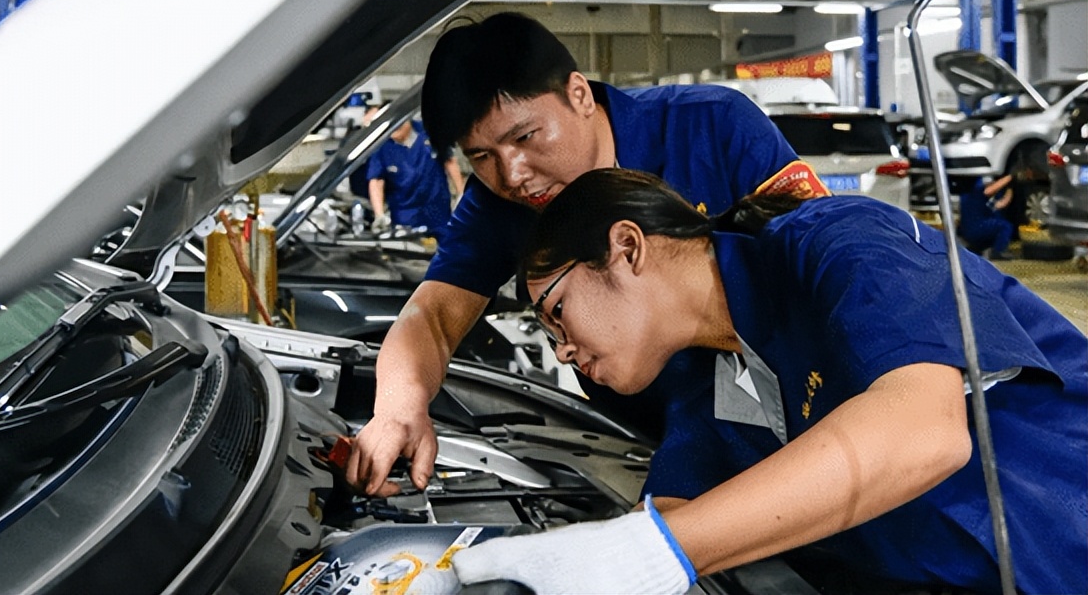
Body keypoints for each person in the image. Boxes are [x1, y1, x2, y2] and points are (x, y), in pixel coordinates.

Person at [450, 168, 1086, 595]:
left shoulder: (841, 242)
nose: (562, 350)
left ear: (627, 248)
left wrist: (648, 551)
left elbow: (922, 435)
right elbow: (673, 515)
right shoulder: (710, 392)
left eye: (557, 311)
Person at [345, 12, 829, 497]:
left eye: (525, 137)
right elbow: (433, 315)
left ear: (578, 94)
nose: (512, 175)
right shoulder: (498, 206)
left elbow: (817, 265)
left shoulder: (709, 125)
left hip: (804, 412)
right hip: (659, 439)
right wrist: (397, 407)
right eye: (481, 156)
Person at [365, 116, 464, 234]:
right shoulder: (381, 146)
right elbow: (376, 180)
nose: (395, 132)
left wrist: (461, 193)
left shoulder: (430, 131)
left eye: (398, 127)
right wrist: (379, 214)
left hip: (437, 209)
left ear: (407, 122)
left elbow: (449, 161)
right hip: (404, 213)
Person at [958, 173, 1015, 260]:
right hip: (976, 227)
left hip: (967, 230)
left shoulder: (967, 194)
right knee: (1005, 226)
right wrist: (1011, 177)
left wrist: (1009, 189)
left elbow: (1000, 204)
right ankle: (998, 252)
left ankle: (975, 249)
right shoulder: (977, 190)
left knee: (996, 220)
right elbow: (989, 191)